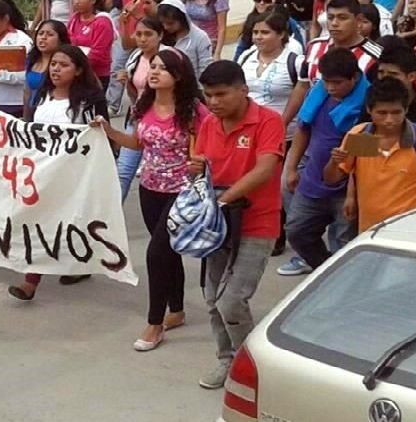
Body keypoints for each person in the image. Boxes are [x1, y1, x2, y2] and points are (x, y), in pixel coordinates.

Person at [97, 49, 209, 350]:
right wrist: (108, 132)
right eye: (153, 67)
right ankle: (178, 309)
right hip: (149, 188)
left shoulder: (194, 110)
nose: (155, 72)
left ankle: (154, 323)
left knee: (156, 254)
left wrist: (200, 162)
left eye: (163, 68)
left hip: (181, 192)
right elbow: (137, 142)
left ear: (179, 76)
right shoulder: (144, 104)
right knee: (168, 252)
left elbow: (210, 144)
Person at [190, 60, 284, 389]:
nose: (213, 102)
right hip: (217, 225)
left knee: (232, 300)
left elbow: (266, 169)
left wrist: (224, 198)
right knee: (213, 295)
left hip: (257, 223)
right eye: (208, 96)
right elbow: (199, 165)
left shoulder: (269, 121)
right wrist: (195, 169)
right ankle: (226, 359)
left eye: (220, 94)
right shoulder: (208, 124)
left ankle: (249, 364)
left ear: (243, 90)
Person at [8, 45, 110, 301]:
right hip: (41, 170)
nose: (55, 69)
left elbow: (100, 139)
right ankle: (31, 280)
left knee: (70, 221)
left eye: (63, 65)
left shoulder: (88, 102)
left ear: (77, 71)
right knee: (39, 220)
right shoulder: (42, 96)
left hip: (74, 174)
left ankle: (77, 264)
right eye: (54, 64)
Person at [323, 77, 416, 232]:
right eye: (382, 113)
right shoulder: (362, 136)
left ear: (406, 110)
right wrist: (335, 162)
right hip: (371, 233)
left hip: (413, 232)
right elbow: (333, 179)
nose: (389, 120)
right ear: (369, 110)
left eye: (396, 112)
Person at [284, 48, 366, 272]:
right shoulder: (318, 94)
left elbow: (373, 146)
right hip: (313, 178)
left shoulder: (369, 103)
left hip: (348, 188)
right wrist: (292, 168)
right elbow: (303, 129)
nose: (331, 88)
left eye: (337, 82)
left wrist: (346, 158)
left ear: (355, 77)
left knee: (344, 243)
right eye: (327, 81)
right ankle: (324, 271)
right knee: (297, 231)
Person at [237, 11, 307, 255]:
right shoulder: (246, 57)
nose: (258, 37)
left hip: (284, 133)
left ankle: (281, 233)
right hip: (248, 133)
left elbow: (302, 91)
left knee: (278, 185)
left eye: (265, 32)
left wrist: (280, 122)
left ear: (281, 35)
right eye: (255, 32)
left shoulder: (295, 61)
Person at [117, 18, 169, 202]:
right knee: (122, 172)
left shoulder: (170, 58)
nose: (142, 39)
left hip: (164, 124)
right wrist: (127, 84)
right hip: (138, 119)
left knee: (160, 176)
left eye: (148, 34)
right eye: (138, 34)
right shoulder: (135, 57)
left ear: (160, 35)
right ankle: (110, 223)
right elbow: (135, 95)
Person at [360, 45, 416, 148]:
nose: (385, 78)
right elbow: (362, 152)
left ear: (411, 76)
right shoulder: (372, 104)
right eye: (381, 72)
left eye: (393, 74)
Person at [24, 19, 72, 117]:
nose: (43, 38)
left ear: (61, 39)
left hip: (58, 114)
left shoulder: (69, 62)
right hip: (33, 113)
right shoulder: (32, 60)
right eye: (41, 33)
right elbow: (27, 92)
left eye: (50, 34)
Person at [67, 0, 116, 90]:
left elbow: (98, 53)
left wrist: (77, 66)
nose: (76, 2)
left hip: (97, 74)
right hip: (74, 72)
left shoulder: (103, 22)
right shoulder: (74, 19)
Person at [157, 0, 214, 78]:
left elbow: (205, 67)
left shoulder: (200, 37)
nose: (166, 27)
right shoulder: (162, 36)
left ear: (182, 19)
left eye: (170, 23)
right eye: (163, 23)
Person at [234, 1, 306, 60]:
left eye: (267, 0)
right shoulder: (250, 20)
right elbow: (241, 48)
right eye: (257, 0)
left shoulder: (290, 24)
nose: (261, 3)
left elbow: (300, 50)